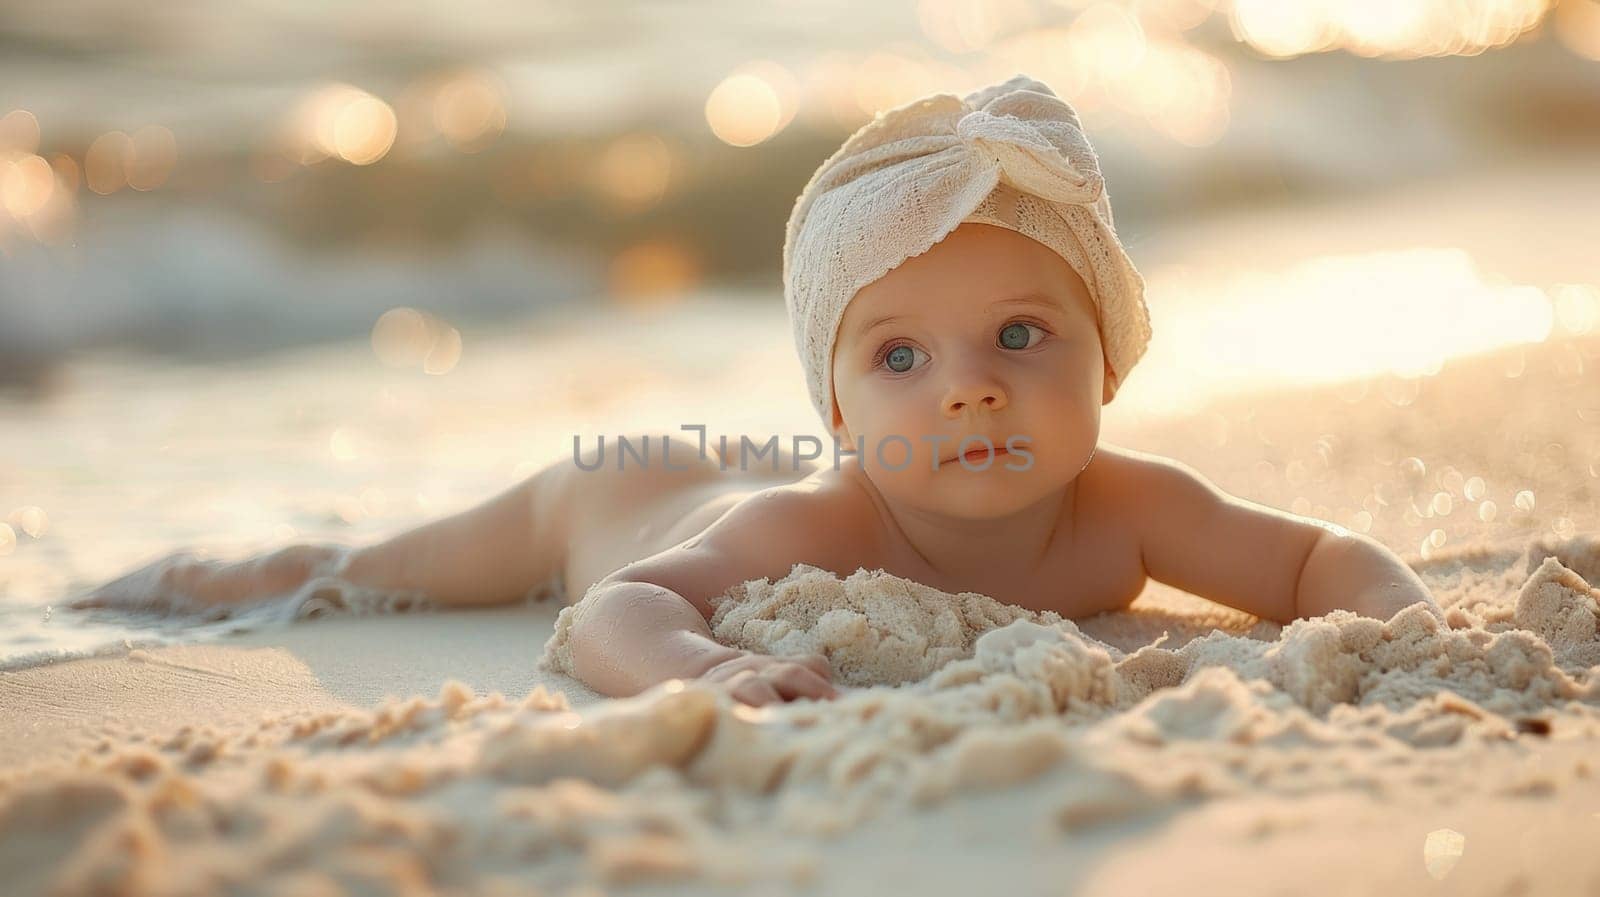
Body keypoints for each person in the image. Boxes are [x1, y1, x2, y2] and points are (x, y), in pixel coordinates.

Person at [73, 74, 1442, 708]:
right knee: (366, 571)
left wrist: (1403, 619)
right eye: (901, 356)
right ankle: (186, 576)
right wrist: (709, 669)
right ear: (839, 416)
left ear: (1110, 357)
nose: (967, 392)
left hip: (687, 485)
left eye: (1020, 337)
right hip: (616, 497)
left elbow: (1316, 555)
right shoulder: (822, 526)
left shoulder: (1134, 507)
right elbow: (619, 605)